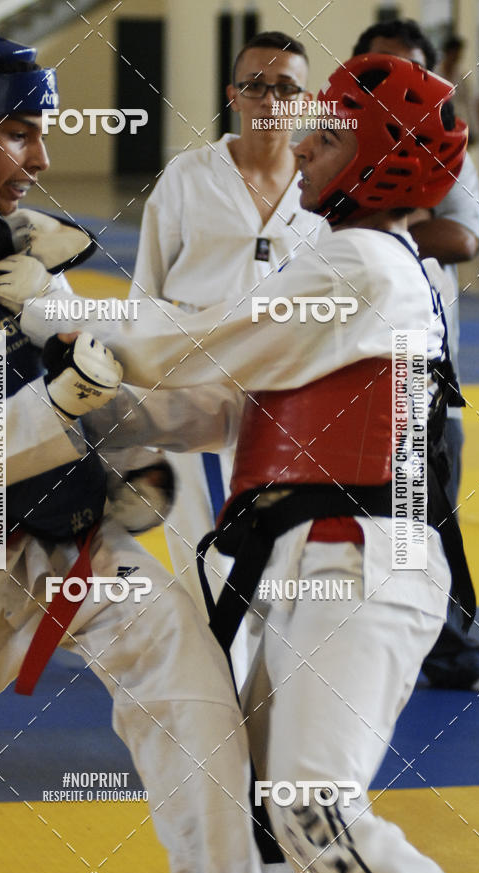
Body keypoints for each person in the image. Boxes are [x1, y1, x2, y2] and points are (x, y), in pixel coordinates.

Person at [20, 53, 469, 873]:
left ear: (381, 161)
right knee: (271, 823)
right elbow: (218, 409)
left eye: (328, 139)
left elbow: (191, 344)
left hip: (360, 561)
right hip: (314, 559)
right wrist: (68, 409)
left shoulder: (363, 267)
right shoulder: (348, 261)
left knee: (312, 808)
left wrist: (50, 304)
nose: (301, 151)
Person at [0, 30, 270, 873]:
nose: (42, 156)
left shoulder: (27, 255)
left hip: (67, 541)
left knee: (189, 684)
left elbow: (108, 383)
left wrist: (239, 406)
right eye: (20, 132)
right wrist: (62, 398)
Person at [130, 31, 324, 643]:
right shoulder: (188, 177)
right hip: (195, 390)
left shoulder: (321, 188)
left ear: (306, 99)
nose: (270, 99)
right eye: (255, 86)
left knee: (283, 554)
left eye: (285, 87)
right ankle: (210, 703)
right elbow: (146, 294)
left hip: (291, 398)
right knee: (202, 548)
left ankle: (267, 702)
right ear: (232, 95)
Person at [352, 18, 479, 694]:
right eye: (379, 68)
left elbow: (463, 238)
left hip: (423, 365)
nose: (394, 84)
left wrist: (373, 224)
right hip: (336, 361)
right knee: (338, 517)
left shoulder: (449, 148)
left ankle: (448, 653)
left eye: (410, 70)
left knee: (426, 514)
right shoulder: (326, 141)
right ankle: (343, 646)